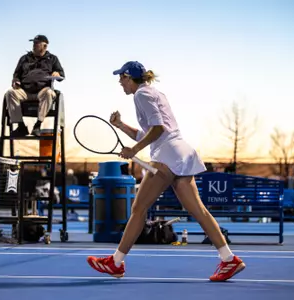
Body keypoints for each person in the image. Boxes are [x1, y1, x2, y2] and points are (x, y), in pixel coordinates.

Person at [86, 61, 246, 282]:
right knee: (199, 211)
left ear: (129, 77)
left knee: (138, 208)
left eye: (121, 78)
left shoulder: (141, 95)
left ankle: (115, 263)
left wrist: (134, 150)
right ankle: (229, 259)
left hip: (168, 155)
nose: (119, 83)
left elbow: (158, 129)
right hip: (180, 152)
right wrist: (121, 125)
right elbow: (150, 133)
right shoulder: (153, 92)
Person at [4, 34, 65, 137]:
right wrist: (15, 81)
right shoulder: (24, 58)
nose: (34, 45)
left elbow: (61, 75)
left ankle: (37, 125)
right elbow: (16, 74)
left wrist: (57, 74)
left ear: (44, 46)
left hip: (42, 91)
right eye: (34, 43)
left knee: (49, 92)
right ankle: (21, 126)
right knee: (10, 93)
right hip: (25, 91)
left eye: (37, 43)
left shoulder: (52, 59)